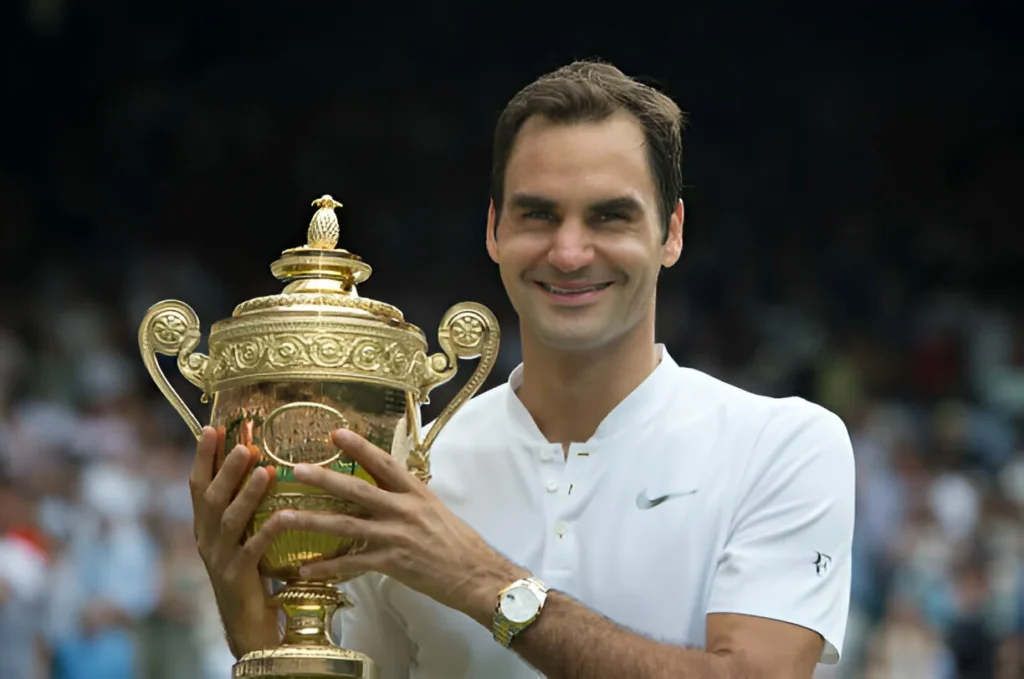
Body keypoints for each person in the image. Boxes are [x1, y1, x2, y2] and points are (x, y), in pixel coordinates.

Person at [189, 60, 856, 678]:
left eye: (609, 216)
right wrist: (256, 634)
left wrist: (484, 582)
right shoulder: (404, 463)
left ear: (672, 232)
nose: (568, 252)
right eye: (538, 214)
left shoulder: (783, 444)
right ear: (494, 231)